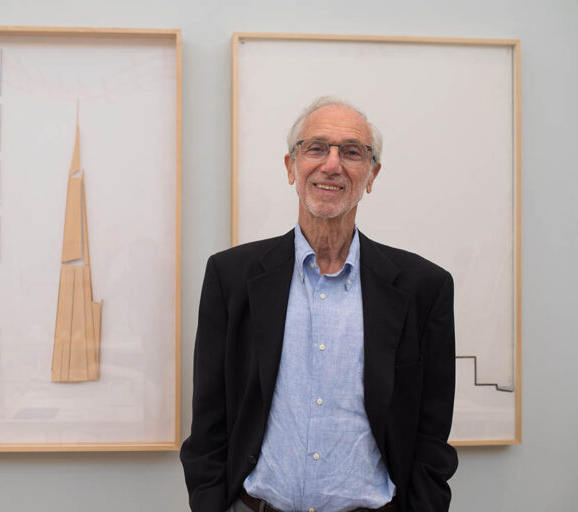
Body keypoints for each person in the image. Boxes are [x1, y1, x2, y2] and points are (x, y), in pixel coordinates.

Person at [180, 97, 458, 512]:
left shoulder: (424, 287)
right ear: (291, 167)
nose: (332, 165)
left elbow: (431, 434)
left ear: (371, 174)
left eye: (352, 152)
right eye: (316, 148)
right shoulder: (231, 277)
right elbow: (209, 421)